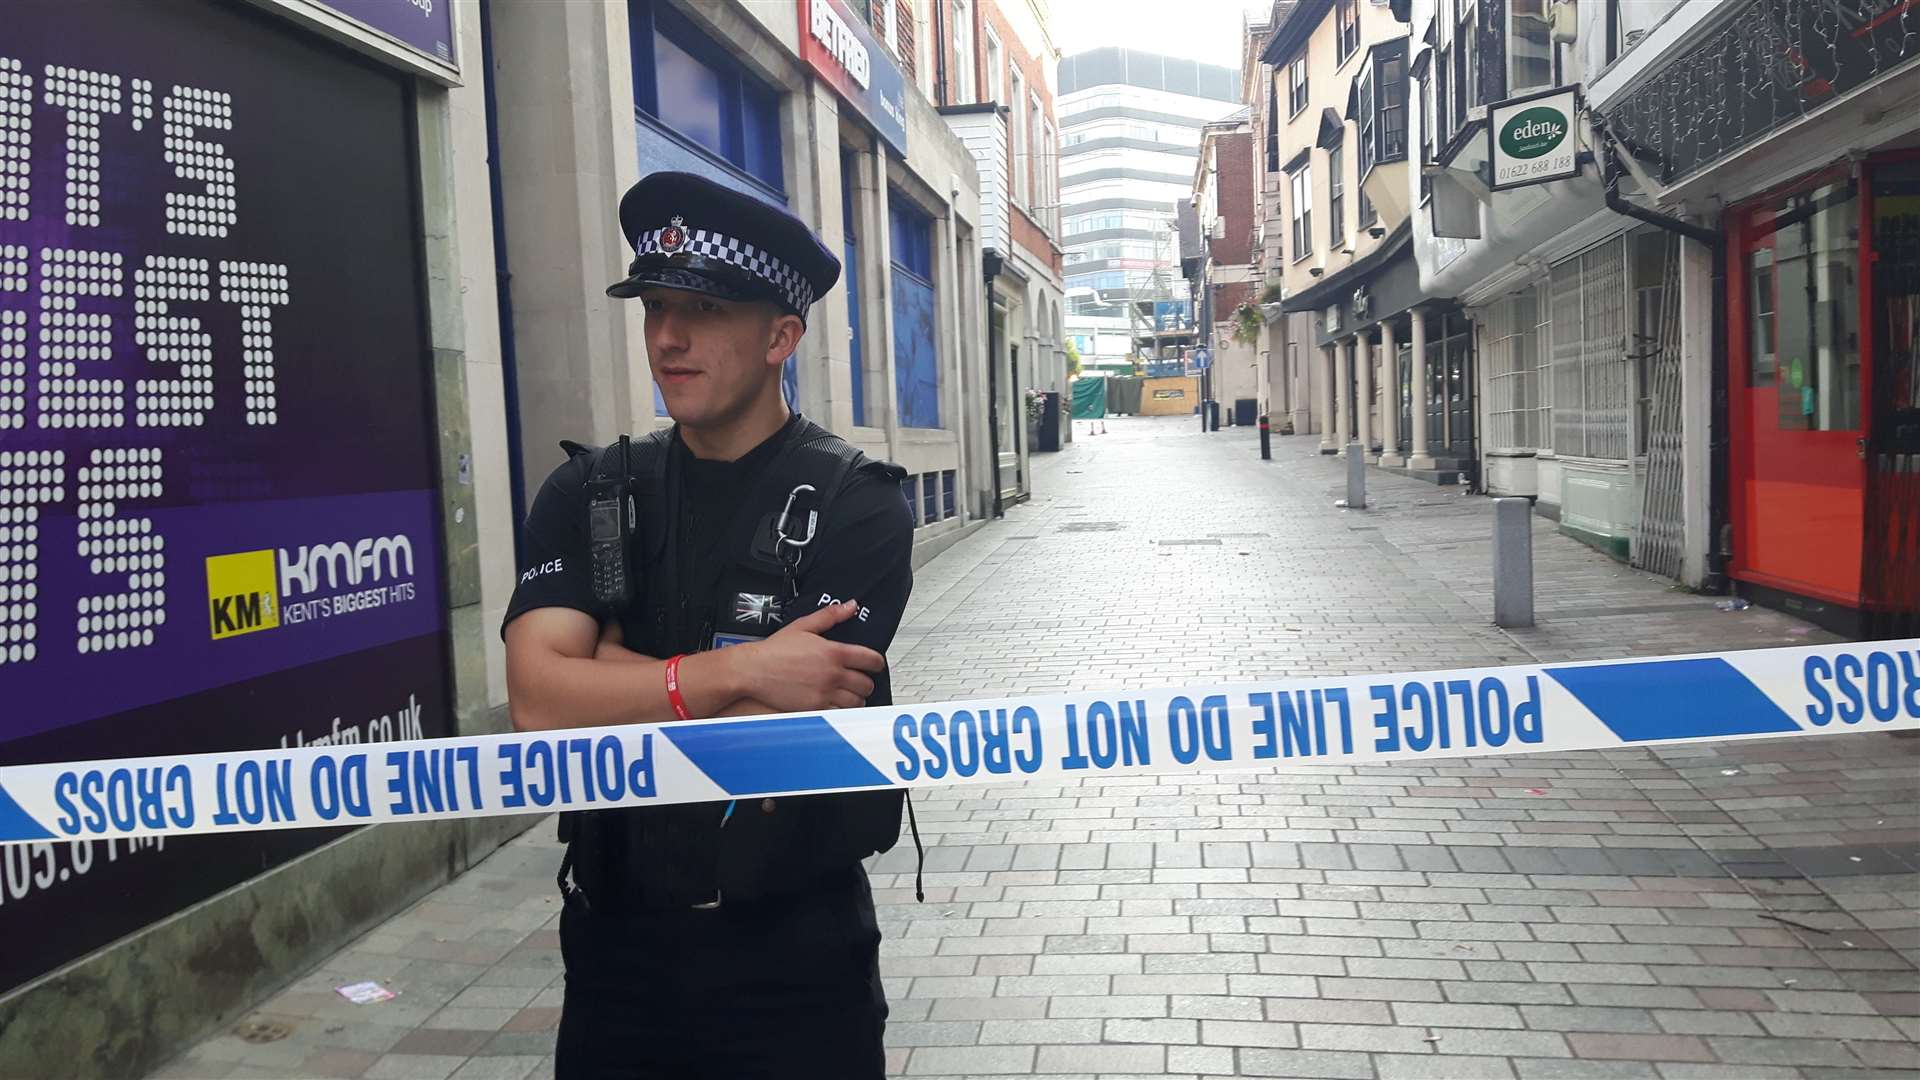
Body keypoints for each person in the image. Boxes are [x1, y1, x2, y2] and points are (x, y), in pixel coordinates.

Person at [501, 170, 916, 1080]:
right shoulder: (588, 491)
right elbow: (536, 700)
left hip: (795, 969)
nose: (666, 338)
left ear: (781, 336)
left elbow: (773, 741)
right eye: (654, 306)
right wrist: (734, 674)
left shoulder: (858, 506)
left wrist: (613, 672)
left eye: (704, 308)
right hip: (615, 965)